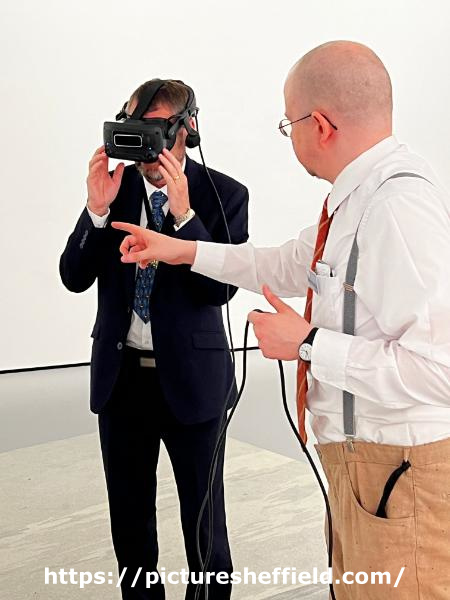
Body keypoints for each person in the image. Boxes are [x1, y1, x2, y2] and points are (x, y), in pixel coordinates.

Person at [111, 43, 450, 599]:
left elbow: (440, 371)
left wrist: (309, 343)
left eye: (288, 123)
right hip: (366, 469)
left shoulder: (397, 208)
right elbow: (282, 264)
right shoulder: (358, 199)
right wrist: (180, 249)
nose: (288, 136)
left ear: (321, 125)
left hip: (398, 470)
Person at [59, 79, 249, 600]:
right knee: (130, 526)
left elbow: (219, 292)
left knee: (204, 529)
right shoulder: (116, 189)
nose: (145, 142)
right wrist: (96, 211)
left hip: (193, 383)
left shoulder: (224, 195)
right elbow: (73, 276)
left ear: (187, 128)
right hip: (122, 383)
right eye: (135, 126)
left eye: (156, 128)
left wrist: (186, 220)